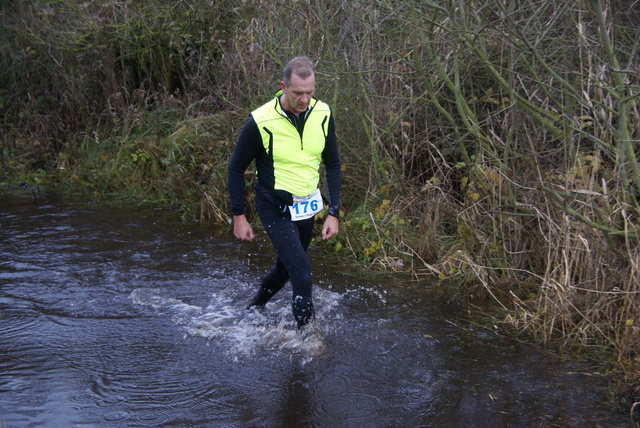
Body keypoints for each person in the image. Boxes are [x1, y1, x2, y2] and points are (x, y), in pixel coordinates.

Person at [227, 56, 341, 329]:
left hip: (306, 206)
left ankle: (254, 307)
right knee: (302, 272)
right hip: (273, 205)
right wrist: (239, 216)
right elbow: (235, 169)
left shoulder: (322, 113)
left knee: (286, 268)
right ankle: (308, 337)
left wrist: (333, 212)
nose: (305, 99)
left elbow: (333, 163)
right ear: (283, 86)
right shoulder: (261, 120)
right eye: (298, 93)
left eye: (310, 92)